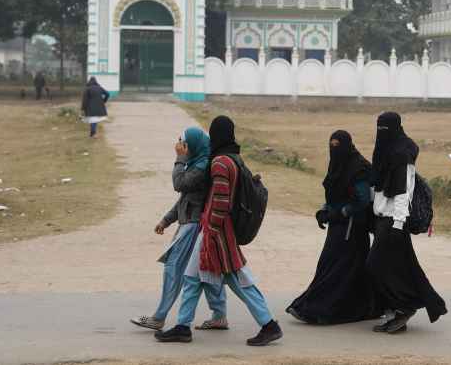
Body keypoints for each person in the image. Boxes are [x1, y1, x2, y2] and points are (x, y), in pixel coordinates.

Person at [155, 116, 282, 346]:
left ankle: (269, 324)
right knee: (192, 278)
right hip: (212, 230)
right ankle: (183, 327)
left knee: (239, 280)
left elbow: (222, 200)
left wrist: (211, 232)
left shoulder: (220, 162)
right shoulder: (233, 157)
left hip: (218, 234)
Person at [131, 127, 227, 333]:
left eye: (184, 143)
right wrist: (166, 220)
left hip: (194, 226)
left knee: (173, 269)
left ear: (192, 144)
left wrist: (179, 159)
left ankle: (159, 317)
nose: (181, 147)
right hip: (189, 224)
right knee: (206, 272)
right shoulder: (198, 163)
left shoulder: (201, 167)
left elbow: (179, 184)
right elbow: (185, 199)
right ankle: (219, 316)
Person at [366, 112, 446, 334]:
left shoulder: (402, 153)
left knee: (375, 266)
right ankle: (397, 312)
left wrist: (398, 224)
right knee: (399, 268)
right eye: (378, 128)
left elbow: (404, 190)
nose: (381, 133)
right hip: (382, 219)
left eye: (385, 128)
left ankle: (404, 307)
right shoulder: (383, 151)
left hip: (394, 222)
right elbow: (378, 186)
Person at [286, 130, 378, 325]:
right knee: (329, 267)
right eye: (331, 145)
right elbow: (333, 193)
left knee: (341, 270)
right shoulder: (336, 165)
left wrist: (340, 213)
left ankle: (323, 310)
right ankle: (317, 307)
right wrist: (323, 210)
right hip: (337, 228)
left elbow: (362, 201)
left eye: (338, 145)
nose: (334, 150)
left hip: (352, 231)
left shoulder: (359, 168)